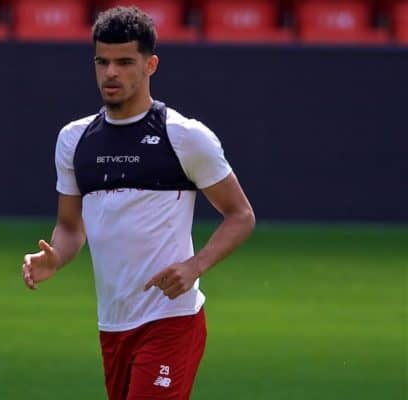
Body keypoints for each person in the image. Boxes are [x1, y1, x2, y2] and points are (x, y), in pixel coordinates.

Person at [22, 6, 255, 400]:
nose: (111, 73)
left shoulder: (184, 136)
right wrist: (55, 258)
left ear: (151, 65)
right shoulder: (73, 139)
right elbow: (69, 227)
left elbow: (240, 215)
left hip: (171, 320)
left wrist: (195, 266)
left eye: (125, 62)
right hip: (113, 325)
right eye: (103, 61)